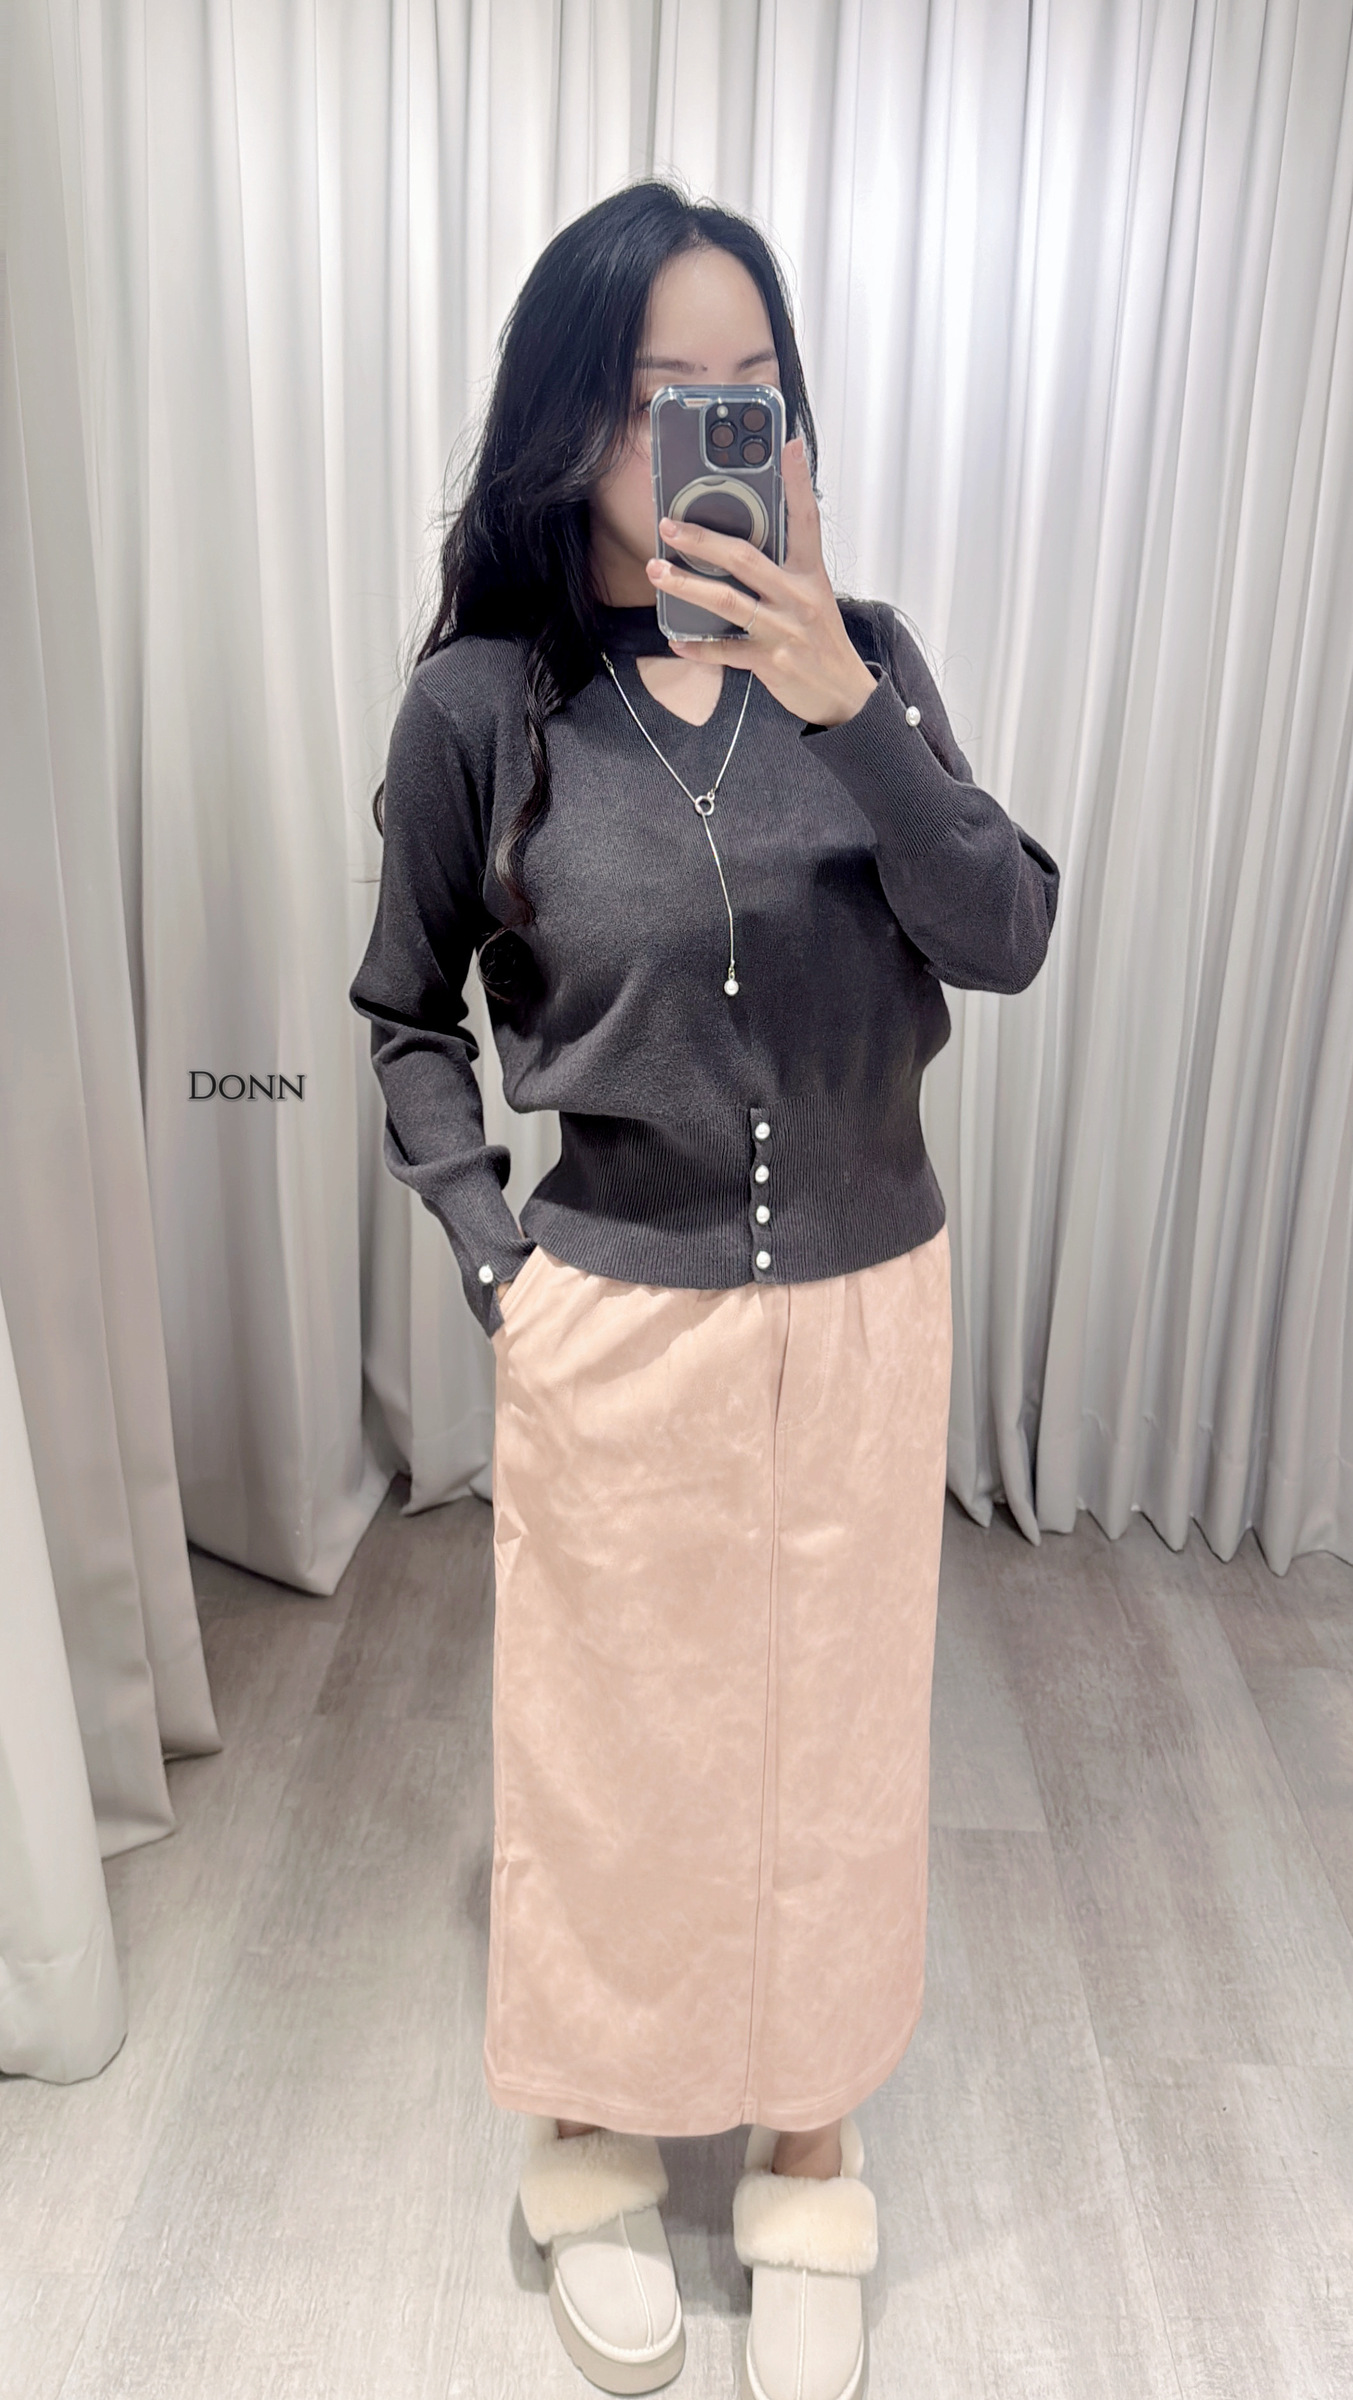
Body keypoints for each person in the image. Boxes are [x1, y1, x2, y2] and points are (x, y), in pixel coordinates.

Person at [350, 179, 1058, 2400]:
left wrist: (846, 702)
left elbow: (1006, 933)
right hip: (613, 1321)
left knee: (831, 1742)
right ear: (573, 420)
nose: (706, 434)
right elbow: (401, 1014)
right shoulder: (486, 710)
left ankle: (806, 2141)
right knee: (614, 1745)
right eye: (663, 393)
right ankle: (583, 2126)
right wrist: (499, 1262)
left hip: (862, 1314)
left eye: (745, 389)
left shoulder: (870, 661)